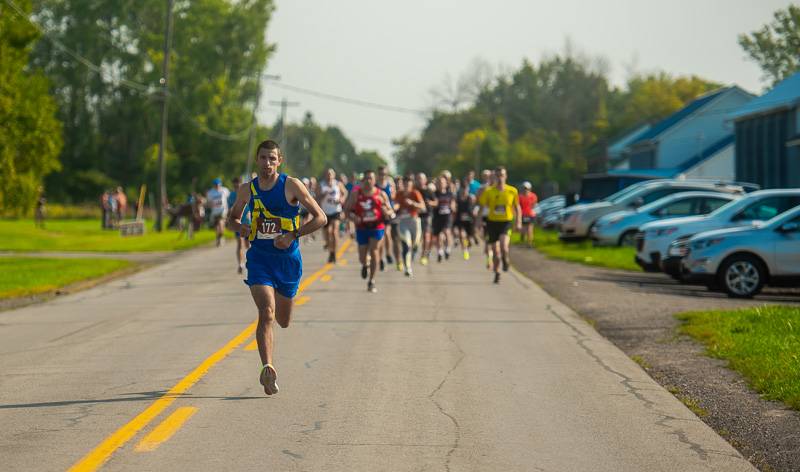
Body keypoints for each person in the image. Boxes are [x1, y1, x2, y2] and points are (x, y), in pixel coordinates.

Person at [227, 140, 327, 396]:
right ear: (257, 160)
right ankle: (267, 368)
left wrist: (292, 235)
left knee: (283, 320)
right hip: (259, 258)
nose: (267, 163)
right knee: (266, 312)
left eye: (272, 158)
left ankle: (269, 359)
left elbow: (320, 218)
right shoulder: (246, 190)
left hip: (288, 261)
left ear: (279, 161)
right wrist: (243, 228)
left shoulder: (291, 185)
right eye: (263, 158)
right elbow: (232, 220)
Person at [344, 169, 395, 293]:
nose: (368, 181)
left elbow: (391, 212)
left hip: (377, 227)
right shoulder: (356, 194)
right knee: (362, 257)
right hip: (361, 227)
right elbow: (346, 210)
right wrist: (353, 217)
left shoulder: (381, 194)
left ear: (374, 180)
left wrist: (386, 212)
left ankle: (372, 281)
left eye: (370, 178)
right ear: (362, 181)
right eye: (365, 178)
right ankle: (365, 265)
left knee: (374, 252)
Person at [478, 166, 521, 284]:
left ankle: (505, 259)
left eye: (502, 175)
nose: (500, 178)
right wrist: (478, 222)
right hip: (492, 222)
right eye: (498, 175)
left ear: (506, 176)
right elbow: (482, 207)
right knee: (496, 252)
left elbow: (517, 207)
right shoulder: (489, 191)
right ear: (494, 177)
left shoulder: (512, 191)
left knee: (504, 246)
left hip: (505, 222)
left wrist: (518, 222)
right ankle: (497, 272)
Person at [394, 176, 425, 276]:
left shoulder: (415, 193)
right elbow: (395, 204)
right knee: (406, 244)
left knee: (415, 243)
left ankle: (414, 252)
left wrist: (412, 203)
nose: (407, 186)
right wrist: (395, 207)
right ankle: (407, 268)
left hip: (414, 221)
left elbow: (422, 206)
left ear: (411, 185)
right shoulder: (399, 194)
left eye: (409, 184)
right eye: (405, 184)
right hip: (403, 221)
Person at [317, 168, 348, 263]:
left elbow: (345, 192)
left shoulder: (338, 184)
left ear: (334, 175)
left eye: (331, 174)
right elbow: (317, 197)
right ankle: (330, 249)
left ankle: (334, 253)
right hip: (325, 212)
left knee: (334, 232)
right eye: (327, 174)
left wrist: (342, 199)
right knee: (327, 233)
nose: (329, 175)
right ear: (325, 175)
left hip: (336, 211)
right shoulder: (321, 185)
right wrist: (323, 194)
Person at [228, 176, 252, 273]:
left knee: (248, 244)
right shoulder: (232, 195)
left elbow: (252, 206)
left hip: (248, 222)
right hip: (238, 223)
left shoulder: (246, 193)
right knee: (239, 243)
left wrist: (249, 214)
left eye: (238, 184)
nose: (236, 187)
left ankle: (250, 261)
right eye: (235, 185)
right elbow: (230, 209)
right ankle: (240, 264)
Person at [431, 175, 455, 262]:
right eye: (439, 183)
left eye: (442, 183)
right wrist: (431, 203)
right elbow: (434, 202)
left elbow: (453, 203)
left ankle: (448, 249)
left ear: (445, 184)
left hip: (447, 216)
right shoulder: (434, 194)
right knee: (439, 236)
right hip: (437, 216)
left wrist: (453, 206)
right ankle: (440, 252)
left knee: (447, 232)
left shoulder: (449, 193)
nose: (441, 184)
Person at [376, 166, 396, 270]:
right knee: (380, 237)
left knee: (387, 233)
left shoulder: (390, 183)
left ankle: (388, 254)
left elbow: (393, 196)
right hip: (378, 213)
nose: (382, 176)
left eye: (384, 174)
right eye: (380, 174)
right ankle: (381, 258)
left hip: (388, 211)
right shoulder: (375, 184)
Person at [454, 179, 477, 260]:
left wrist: (475, 212)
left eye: (466, 189)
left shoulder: (471, 198)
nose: (464, 191)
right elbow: (455, 208)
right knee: (462, 235)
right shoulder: (458, 199)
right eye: (463, 189)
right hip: (460, 220)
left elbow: (475, 207)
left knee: (469, 239)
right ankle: (465, 251)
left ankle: (469, 243)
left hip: (470, 221)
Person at [415, 172, 435, 265]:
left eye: (421, 178)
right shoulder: (414, 191)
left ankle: (423, 255)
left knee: (426, 236)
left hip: (427, 216)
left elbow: (436, 202)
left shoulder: (429, 191)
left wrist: (429, 203)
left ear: (425, 180)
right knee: (416, 237)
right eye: (418, 178)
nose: (420, 180)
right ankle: (415, 252)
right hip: (416, 216)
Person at [207, 178, 231, 247]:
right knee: (216, 226)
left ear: (220, 184)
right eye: (215, 185)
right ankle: (218, 237)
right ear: (213, 185)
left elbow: (228, 198)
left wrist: (229, 208)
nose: (217, 186)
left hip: (223, 210)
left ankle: (221, 237)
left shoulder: (224, 190)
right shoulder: (210, 192)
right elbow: (209, 202)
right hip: (214, 212)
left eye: (218, 185)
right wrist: (210, 205)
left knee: (221, 223)